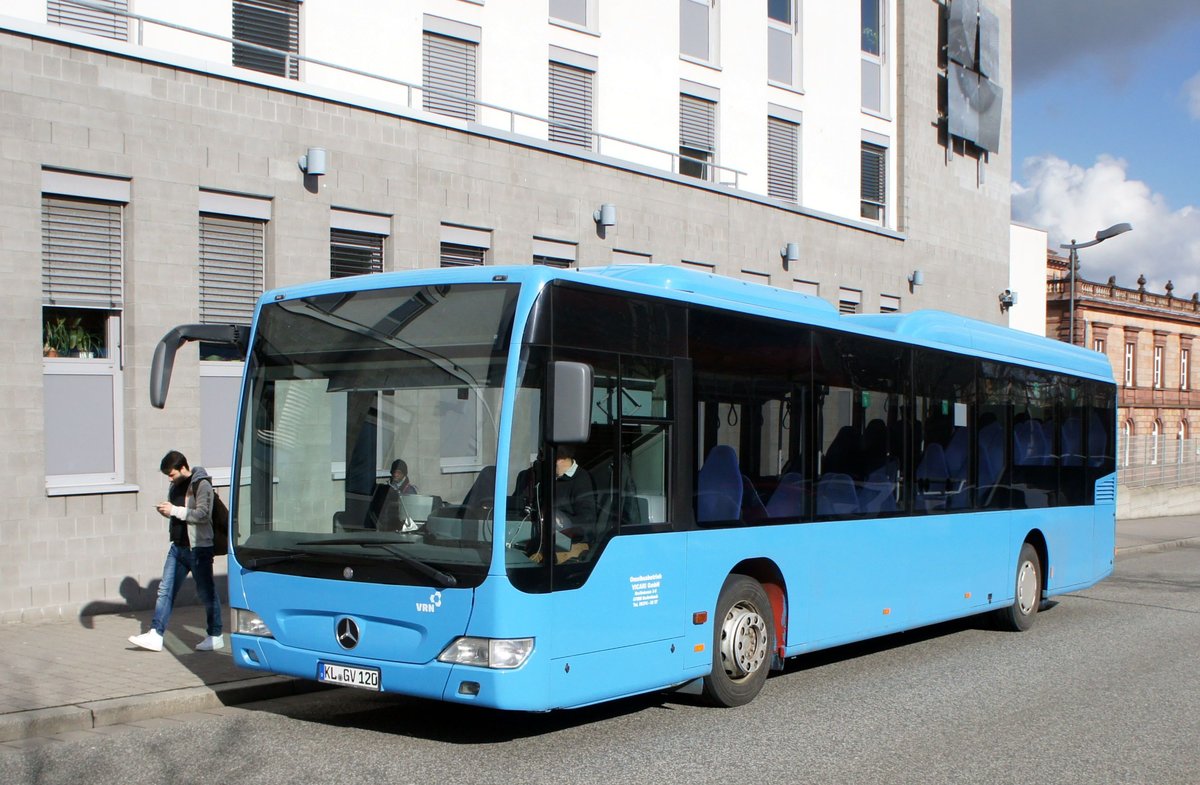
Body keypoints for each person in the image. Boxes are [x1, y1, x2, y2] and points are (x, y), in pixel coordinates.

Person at [128, 451, 224, 652]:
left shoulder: (201, 484)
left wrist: (173, 510)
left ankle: (215, 635)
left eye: (171, 474)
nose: (170, 479)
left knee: (206, 592)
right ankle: (156, 634)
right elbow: (180, 516)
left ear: (183, 468)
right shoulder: (174, 486)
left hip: (199, 549)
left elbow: (203, 515)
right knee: (166, 590)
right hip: (177, 547)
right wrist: (167, 512)